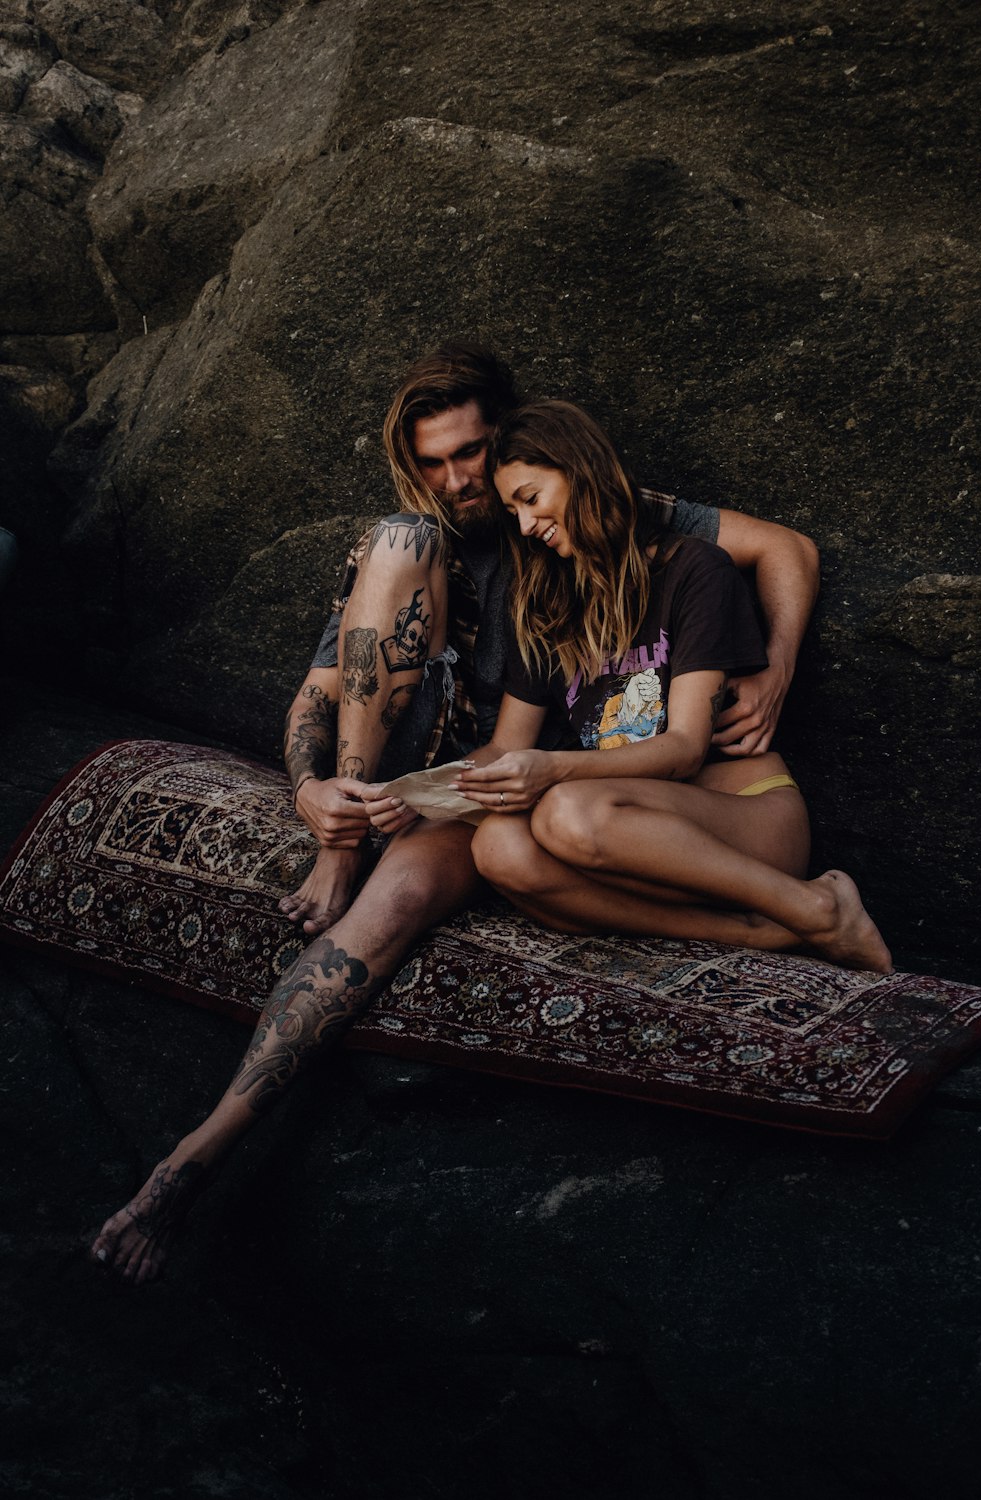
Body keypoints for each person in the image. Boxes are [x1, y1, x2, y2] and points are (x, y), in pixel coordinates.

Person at [90, 343, 819, 1282]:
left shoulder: (585, 522)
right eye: (435, 461)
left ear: (517, 444)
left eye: (474, 453)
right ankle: (334, 853)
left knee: (388, 919)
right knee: (401, 542)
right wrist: (316, 791)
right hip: (410, 756)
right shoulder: (413, 533)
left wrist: (776, 670)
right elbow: (315, 693)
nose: (461, 479)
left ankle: (193, 1158)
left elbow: (784, 549)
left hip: (510, 776)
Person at [452, 400, 891, 972]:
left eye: (531, 500)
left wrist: (552, 768)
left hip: (743, 819)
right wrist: (415, 798)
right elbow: (506, 747)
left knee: (565, 812)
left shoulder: (694, 571)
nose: (527, 527)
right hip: (621, 835)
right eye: (513, 512)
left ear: (581, 471)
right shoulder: (544, 605)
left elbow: (685, 750)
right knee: (496, 848)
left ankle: (814, 905)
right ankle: (759, 933)